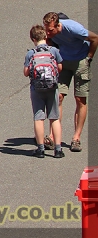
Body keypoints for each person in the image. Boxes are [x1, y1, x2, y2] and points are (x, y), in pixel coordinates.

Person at [44, 11, 97, 153]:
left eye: (50, 30)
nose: (47, 33)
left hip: (80, 62)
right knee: (58, 97)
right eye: (46, 29)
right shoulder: (50, 33)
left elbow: (95, 38)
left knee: (80, 99)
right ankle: (53, 136)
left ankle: (76, 138)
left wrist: (89, 58)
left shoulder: (73, 28)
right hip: (64, 62)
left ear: (58, 25)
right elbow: (47, 43)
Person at [27, 23, 64, 159]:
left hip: (36, 88)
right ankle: (58, 149)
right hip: (52, 87)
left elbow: (26, 72)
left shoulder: (31, 53)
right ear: (45, 36)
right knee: (54, 117)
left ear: (33, 39)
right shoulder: (53, 51)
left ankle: (41, 148)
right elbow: (59, 67)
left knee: (38, 117)